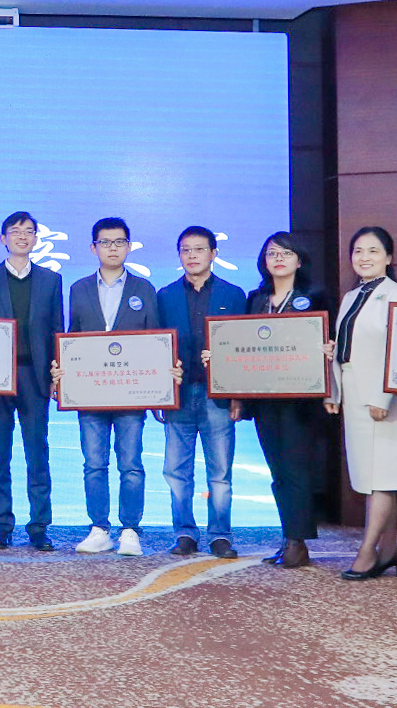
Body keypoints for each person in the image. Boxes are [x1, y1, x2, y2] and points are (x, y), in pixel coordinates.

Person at [61, 217, 163, 557]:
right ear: (94, 248)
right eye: (105, 242)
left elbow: (155, 341)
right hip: (91, 393)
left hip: (131, 393)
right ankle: (99, 529)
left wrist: (159, 387)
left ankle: (130, 530)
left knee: (131, 464)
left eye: (119, 242)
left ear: (129, 246)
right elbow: (72, 340)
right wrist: (62, 370)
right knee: (94, 464)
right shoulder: (79, 289)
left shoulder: (144, 289)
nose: (113, 248)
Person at [241, 232, 332, 570]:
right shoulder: (256, 298)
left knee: (296, 469)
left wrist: (327, 348)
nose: (278, 259)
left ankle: (298, 541)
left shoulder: (315, 296)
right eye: (272, 253)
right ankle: (288, 536)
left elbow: (330, 340)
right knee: (277, 470)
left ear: (299, 260)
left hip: (300, 398)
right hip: (264, 398)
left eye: (286, 253)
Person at [0, 210, 63, 551]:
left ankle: (39, 526)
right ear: (3, 238)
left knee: (37, 454)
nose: (22, 236)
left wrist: (57, 374)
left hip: (35, 376)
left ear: (36, 238)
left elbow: (56, 329)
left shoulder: (51, 280)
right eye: (15, 231)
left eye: (29, 231)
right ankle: (1, 525)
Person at [161, 225, 247, 557]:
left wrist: (238, 394)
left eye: (199, 249)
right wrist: (159, 393)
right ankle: (184, 533)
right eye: (185, 250)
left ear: (214, 253)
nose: (192, 255)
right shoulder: (165, 295)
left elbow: (242, 349)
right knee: (176, 472)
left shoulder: (233, 295)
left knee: (220, 472)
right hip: (179, 396)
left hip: (218, 396)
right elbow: (156, 346)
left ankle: (220, 535)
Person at [331, 226, 397, 580]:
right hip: (354, 393)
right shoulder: (351, 296)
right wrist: (334, 392)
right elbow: (345, 348)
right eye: (358, 250)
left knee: (382, 476)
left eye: (373, 251)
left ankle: (367, 553)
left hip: (382, 398)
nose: (364, 257)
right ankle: (389, 551)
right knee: (371, 475)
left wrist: (384, 396)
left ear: (389, 257)